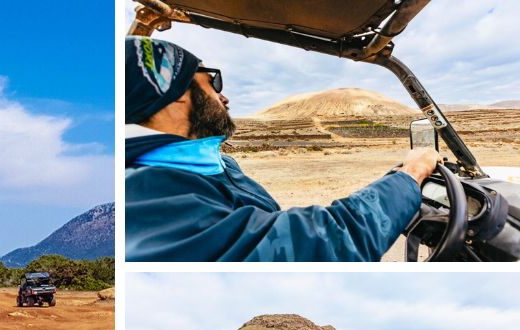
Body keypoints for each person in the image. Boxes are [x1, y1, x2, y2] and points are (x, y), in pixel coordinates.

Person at [125, 36, 439, 261]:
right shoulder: (150, 198)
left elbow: (270, 225)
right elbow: (321, 245)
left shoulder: (208, 166)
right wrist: (410, 173)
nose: (224, 98)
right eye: (212, 82)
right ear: (177, 92)